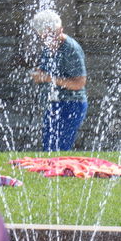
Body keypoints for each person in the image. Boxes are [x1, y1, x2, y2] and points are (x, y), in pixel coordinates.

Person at [30, 9, 88, 151]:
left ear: (61, 29)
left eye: (55, 33)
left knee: (61, 147)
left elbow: (79, 83)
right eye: (46, 35)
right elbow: (47, 72)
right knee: (49, 146)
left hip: (72, 103)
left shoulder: (71, 49)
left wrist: (49, 78)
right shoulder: (48, 47)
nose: (51, 38)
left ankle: (61, 172)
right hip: (54, 102)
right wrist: (39, 74)